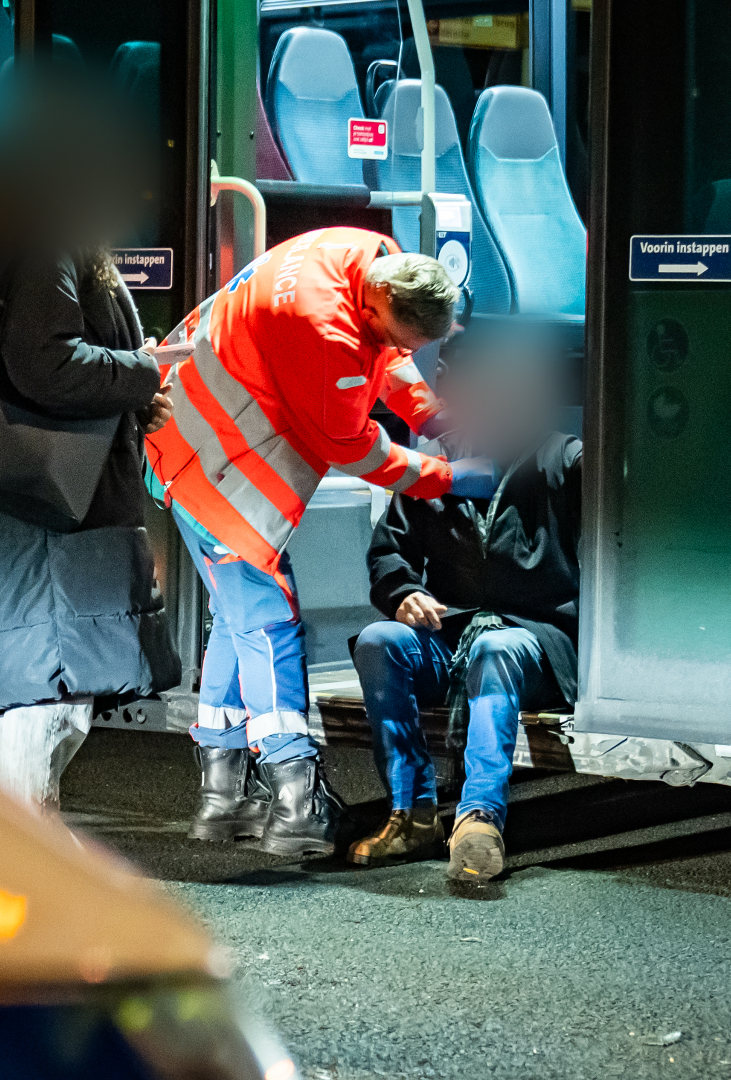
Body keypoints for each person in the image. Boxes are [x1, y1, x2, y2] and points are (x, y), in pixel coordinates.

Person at [144, 227, 496, 858]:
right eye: (394, 335)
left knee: (235, 620)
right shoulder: (324, 330)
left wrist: (427, 413)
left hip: (183, 436)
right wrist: (441, 476)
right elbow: (353, 446)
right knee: (270, 620)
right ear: (375, 306)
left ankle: (222, 799)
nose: (395, 349)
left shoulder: (368, 255)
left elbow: (385, 355)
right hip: (214, 466)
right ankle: (295, 800)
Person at [0, 73, 180, 814]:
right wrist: (142, 374)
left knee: (29, 704)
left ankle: (16, 890)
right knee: (37, 708)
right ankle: (18, 895)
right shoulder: (45, 245)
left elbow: (31, 362)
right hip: (44, 527)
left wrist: (133, 402)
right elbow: (46, 362)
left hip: (13, 517)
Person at [346, 331, 580, 881]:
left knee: (495, 649)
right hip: (453, 634)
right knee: (381, 642)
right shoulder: (436, 468)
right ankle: (413, 813)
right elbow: (388, 554)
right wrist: (404, 594)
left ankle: (479, 819)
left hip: (537, 638)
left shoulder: (563, 460)